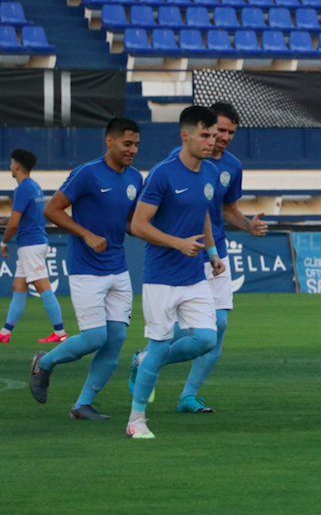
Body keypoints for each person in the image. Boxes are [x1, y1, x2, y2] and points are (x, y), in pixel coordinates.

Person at [129, 102, 267, 414]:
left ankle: (187, 395)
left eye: (230, 132)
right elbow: (144, 219)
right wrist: (178, 242)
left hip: (212, 250)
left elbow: (223, 209)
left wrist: (247, 226)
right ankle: (146, 359)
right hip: (177, 257)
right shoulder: (173, 166)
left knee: (217, 326)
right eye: (217, 130)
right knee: (177, 333)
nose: (222, 137)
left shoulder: (228, 167)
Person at [28, 119, 144, 420]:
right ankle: (44, 362)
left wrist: (161, 234)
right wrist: (87, 234)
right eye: (127, 144)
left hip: (118, 268)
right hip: (86, 269)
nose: (132, 150)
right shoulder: (87, 173)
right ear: (109, 141)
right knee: (94, 338)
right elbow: (51, 209)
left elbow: (131, 223)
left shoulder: (135, 178)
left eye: (136, 145)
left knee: (116, 338)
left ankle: (82, 405)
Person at [126, 106, 225, 439]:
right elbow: (138, 225)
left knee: (207, 339)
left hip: (194, 275)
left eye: (213, 135)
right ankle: (136, 420)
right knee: (160, 343)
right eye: (205, 135)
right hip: (161, 277)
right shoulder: (162, 174)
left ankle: (143, 362)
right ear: (185, 136)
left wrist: (212, 253)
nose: (211, 142)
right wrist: (177, 243)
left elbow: (204, 215)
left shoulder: (210, 173)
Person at [0, 149, 66, 344]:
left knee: (43, 287)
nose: (10, 166)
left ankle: (60, 332)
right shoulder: (34, 187)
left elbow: (14, 223)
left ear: (17, 166)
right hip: (33, 243)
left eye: (12, 163)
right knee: (18, 286)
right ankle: (5, 332)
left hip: (31, 245)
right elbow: (17, 219)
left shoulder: (22, 189)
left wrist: (3, 243)